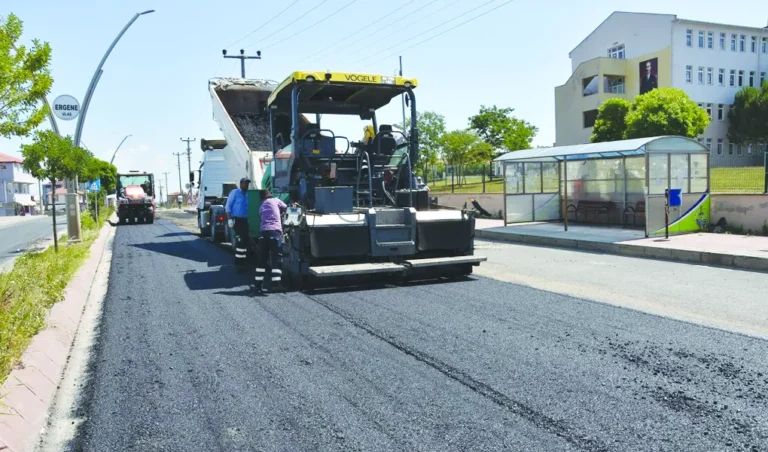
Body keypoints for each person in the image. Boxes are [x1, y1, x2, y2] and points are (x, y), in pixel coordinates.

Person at [255, 189, 287, 292]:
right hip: (274, 232)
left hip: (263, 234)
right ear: (269, 195)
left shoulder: (261, 207)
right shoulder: (276, 200)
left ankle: (258, 285)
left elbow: (263, 216)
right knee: (276, 259)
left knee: (262, 260)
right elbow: (287, 208)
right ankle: (275, 283)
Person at [226, 178, 251, 269]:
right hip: (236, 220)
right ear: (240, 184)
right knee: (240, 241)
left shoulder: (249, 194)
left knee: (245, 241)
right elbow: (228, 206)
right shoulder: (235, 192)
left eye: (247, 184)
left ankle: (243, 260)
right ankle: (238, 263)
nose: (246, 185)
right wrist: (229, 220)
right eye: (245, 183)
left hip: (245, 220)